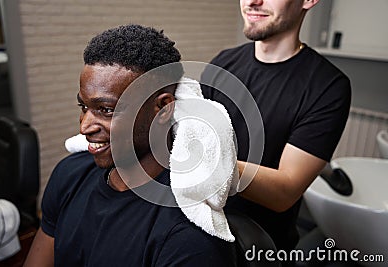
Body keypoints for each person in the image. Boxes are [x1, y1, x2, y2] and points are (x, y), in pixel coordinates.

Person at [24, 24, 236, 267]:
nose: (84, 127)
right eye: (84, 107)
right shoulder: (69, 174)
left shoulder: (185, 236)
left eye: (106, 110)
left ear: (164, 108)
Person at [201, 0, 351, 259]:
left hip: (257, 249)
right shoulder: (223, 63)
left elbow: (284, 191)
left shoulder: (328, 86)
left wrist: (205, 160)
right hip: (196, 231)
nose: (252, 2)